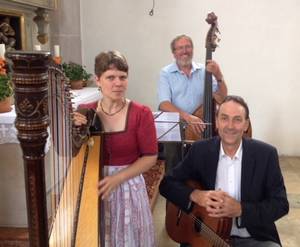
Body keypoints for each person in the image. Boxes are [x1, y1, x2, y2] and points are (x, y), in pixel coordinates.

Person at [159, 95, 289, 247]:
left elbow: (280, 204)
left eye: (237, 119)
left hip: (253, 238)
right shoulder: (200, 150)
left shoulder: (266, 155)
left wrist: (241, 210)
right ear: (217, 122)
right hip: (205, 236)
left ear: (246, 124)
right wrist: (195, 195)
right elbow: (167, 185)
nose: (230, 126)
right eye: (224, 118)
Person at [73, 50, 158, 247]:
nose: (118, 83)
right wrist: (75, 131)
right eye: (110, 77)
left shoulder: (141, 113)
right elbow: (71, 153)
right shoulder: (85, 111)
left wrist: (116, 179)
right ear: (98, 80)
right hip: (93, 186)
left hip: (128, 184)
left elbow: (150, 157)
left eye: (122, 77)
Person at [158, 34, 228, 172]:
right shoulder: (166, 73)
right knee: (172, 155)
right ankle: (174, 184)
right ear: (174, 53)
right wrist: (188, 117)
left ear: (193, 49)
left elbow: (222, 97)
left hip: (201, 123)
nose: (185, 51)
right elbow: (164, 104)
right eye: (180, 48)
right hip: (177, 123)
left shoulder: (204, 71)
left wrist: (219, 75)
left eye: (188, 47)